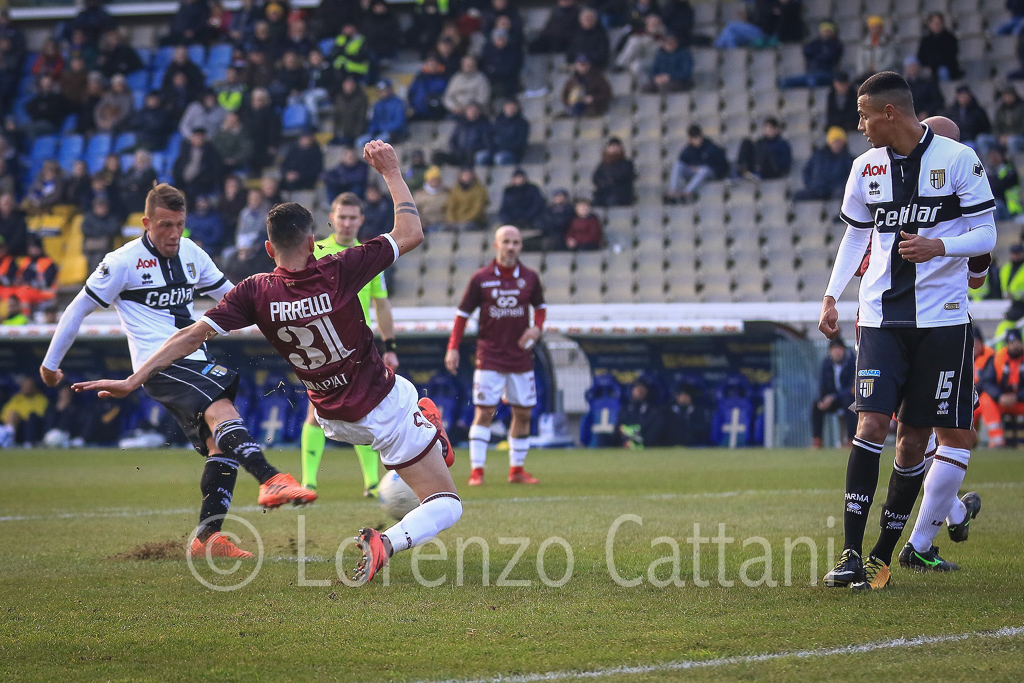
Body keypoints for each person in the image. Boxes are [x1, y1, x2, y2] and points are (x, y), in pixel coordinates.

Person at [76, 143, 459, 586]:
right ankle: (387, 539)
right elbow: (410, 232)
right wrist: (391, 171)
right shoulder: (338, 268)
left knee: (408, 406)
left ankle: (428, 433)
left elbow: (189, 336)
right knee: (447, 504)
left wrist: (134, 378)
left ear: (267, 247)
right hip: (381, 404)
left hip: (332, 418)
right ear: (313, 243)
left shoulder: (255, 291)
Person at [45, 184, 314, 557]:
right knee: (223, 410)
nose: (174, 234)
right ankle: (271, 478)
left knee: (218, 444)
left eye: (179, 225)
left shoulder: (191, 253)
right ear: (147, 223)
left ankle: (208, 538)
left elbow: (233, 297)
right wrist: (50, 364)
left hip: (194, 357)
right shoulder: (121, 262)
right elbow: (77, 308)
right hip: (158, 364)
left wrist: (289, 324)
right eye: (165, 226)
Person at [818, 72, 996, 590]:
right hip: (880, 318)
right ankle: (850, 554)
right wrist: (831, 294)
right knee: (871, 424)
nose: (860, 125)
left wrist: (939, 247)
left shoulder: (959, 161)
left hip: (942, 321)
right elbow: (856, 235)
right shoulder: (864, 168)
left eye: (864, 115)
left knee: (914, 440)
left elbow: (987, 233)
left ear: (889, 113)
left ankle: (881, 558)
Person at [299, 192, 400, 497]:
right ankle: (309, 482)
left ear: (361, 220)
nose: (346, 223)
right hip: (323, 345)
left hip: (359, 348)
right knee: (315, 412)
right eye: (341, 217)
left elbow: (381, 303)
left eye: (352, 218)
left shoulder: (367, 255)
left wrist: (390, 346)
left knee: (365, 413)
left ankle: (372, 482)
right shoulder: (315, 251)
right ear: (332, 218)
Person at [446, 225, 544, 486]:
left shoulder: (530, 278)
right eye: (506, 242)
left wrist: (536, 328)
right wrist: (453, 347)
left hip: (520, 358)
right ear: (496, 245)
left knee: (523, 414)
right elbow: (462, 315)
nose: (511, 247)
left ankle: (517, 470)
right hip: (489, 357)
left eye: (516, 242)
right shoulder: (481, 278)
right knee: (485, 411)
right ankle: (477, 471)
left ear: (521, 246)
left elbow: (541, 308)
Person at [811, 337, 856, 448]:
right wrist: (822, 399)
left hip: (847, 397)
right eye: (834, 349)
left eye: (839, 349)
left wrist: (834, 397)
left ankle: (851, 440)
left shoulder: (852, 362)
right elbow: (822, 383)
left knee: (850, 403)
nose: (837, 352)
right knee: (816, 406)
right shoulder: (826, 363)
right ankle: (817, 440)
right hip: (832, 399)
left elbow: (852, 386)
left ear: (844, 350)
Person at [668, 125, 729, 203]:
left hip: (710, 173)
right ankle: (672, 192)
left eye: (696, 137)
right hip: (693, 172)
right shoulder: (688, 149)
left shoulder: (711, 147)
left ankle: (686, 192)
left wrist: (699, 167)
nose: (695, 140)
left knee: (704, 170)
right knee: (677, 165)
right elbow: (682, 162)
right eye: (693, 138)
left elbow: (722, 165)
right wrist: (692, 168)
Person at [795, 127, 854, 201]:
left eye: (839, 141)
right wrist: (811, 185)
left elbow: (849, 178)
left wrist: (837, 187)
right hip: (816, 190)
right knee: (797, 196)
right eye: (834, 141)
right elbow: (806, 171)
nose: (837, 144)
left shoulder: (848, 159)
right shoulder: (818, 156)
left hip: (835, 192)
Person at [779, 20, 843, 89]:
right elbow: (807, 51)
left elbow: (829, 57)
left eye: (828, 31)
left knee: (812, 81)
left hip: (827, 73)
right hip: (811, 73)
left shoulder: (836, 45)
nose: (825, 33)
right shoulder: (816, 42)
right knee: (785, 82)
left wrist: (817, 54)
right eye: (824, 30)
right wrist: (821, 53)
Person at [357, 80, 408, 149]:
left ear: (390, 89)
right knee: (360, 141)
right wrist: (373, 130)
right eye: (380, 91)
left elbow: (399, 123)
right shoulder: (377, 105)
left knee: (378, 141)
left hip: (394, 134)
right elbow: (373, 121)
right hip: (378, 133)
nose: (383, 93)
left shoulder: (398, 103)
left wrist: (382, 128)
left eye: (384, 90)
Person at [0, 376, 48, 446]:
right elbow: (4, 414)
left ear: (34, 387)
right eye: (24, 385)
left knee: (22, 416)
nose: (25, 387)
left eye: (28, 385)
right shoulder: (17, 397)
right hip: (11, 424)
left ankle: (8, 438)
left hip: (28, 426)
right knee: (13, 414)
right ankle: (7, 436)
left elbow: (39, 415)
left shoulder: (41, 399)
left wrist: (19, 416)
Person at [81, 195, 121, 272]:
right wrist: (102, 231)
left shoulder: (112, 218)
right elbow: (85, 230)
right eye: (99, 207)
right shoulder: (89, 218)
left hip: (107, 247)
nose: (101, 210)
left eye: (103, 207)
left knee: (99, 258)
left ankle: (96, 276)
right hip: (89, 247)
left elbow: (115, 229)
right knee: (88, 260)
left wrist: (97, 229)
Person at [917, 12, 961, 81]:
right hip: (930, 68)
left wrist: (935, 65)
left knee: (942, 71)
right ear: (930, 25)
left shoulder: (950, 39)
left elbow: (951, 57)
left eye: (939, 23)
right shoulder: (926, 40)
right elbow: (921, 56)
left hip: (946, 68)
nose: (937, 25)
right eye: (935, 23)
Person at [592, 137, 636, 206]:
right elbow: (596, 178)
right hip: (603, 194)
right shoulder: (603, 165)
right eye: (612, 146)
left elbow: (620, 177)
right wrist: (605, 182)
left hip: (620, 196)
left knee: (612, 201)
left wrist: (608, 181)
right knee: (595, 203)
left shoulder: (626, 164)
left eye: (616, 146)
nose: (614, 149)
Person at [855, 16, 897, 81]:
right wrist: (863, 71)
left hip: (884, 75)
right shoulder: (863, 43)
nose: (875, 30)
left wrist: (877, 68)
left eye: (877, 27)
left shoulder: (888, 42)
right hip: (867, 75)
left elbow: (890, 59)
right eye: (872, 27)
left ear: (881, 28)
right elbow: (860, 59)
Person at [408, 54, 450, 121]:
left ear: (438, 65)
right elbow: (411, 94)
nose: (432, 66)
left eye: (434, 64)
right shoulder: (419, 78)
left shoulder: (444, 78)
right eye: (430, 63)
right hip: (419, 113)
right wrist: (414, 107)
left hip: (438, 114)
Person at [903, 57, 944, 121]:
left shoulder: (928, 82)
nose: (912, 69)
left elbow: (938, 100)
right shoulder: (902, 85)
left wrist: (927, 112)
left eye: (914, 66)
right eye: (909, 66)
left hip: (927, 119)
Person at [333, 75, 369, 145]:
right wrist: (337, 133)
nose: (348, 87)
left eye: (350, 84)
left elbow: (361, 118)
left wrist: (356, 134)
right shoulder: (339, 98)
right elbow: (336, 117)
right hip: (343, 133)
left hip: (357, 134)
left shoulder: (361, 99)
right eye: (346, 84)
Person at [413, 165, 449, 230]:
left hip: (442, 224)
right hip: (424, 225)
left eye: (437, 179)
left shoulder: (446, 193)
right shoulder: (419, 195)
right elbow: (414, 211)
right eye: (432, 180)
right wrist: (421, 222)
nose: (435, 182)